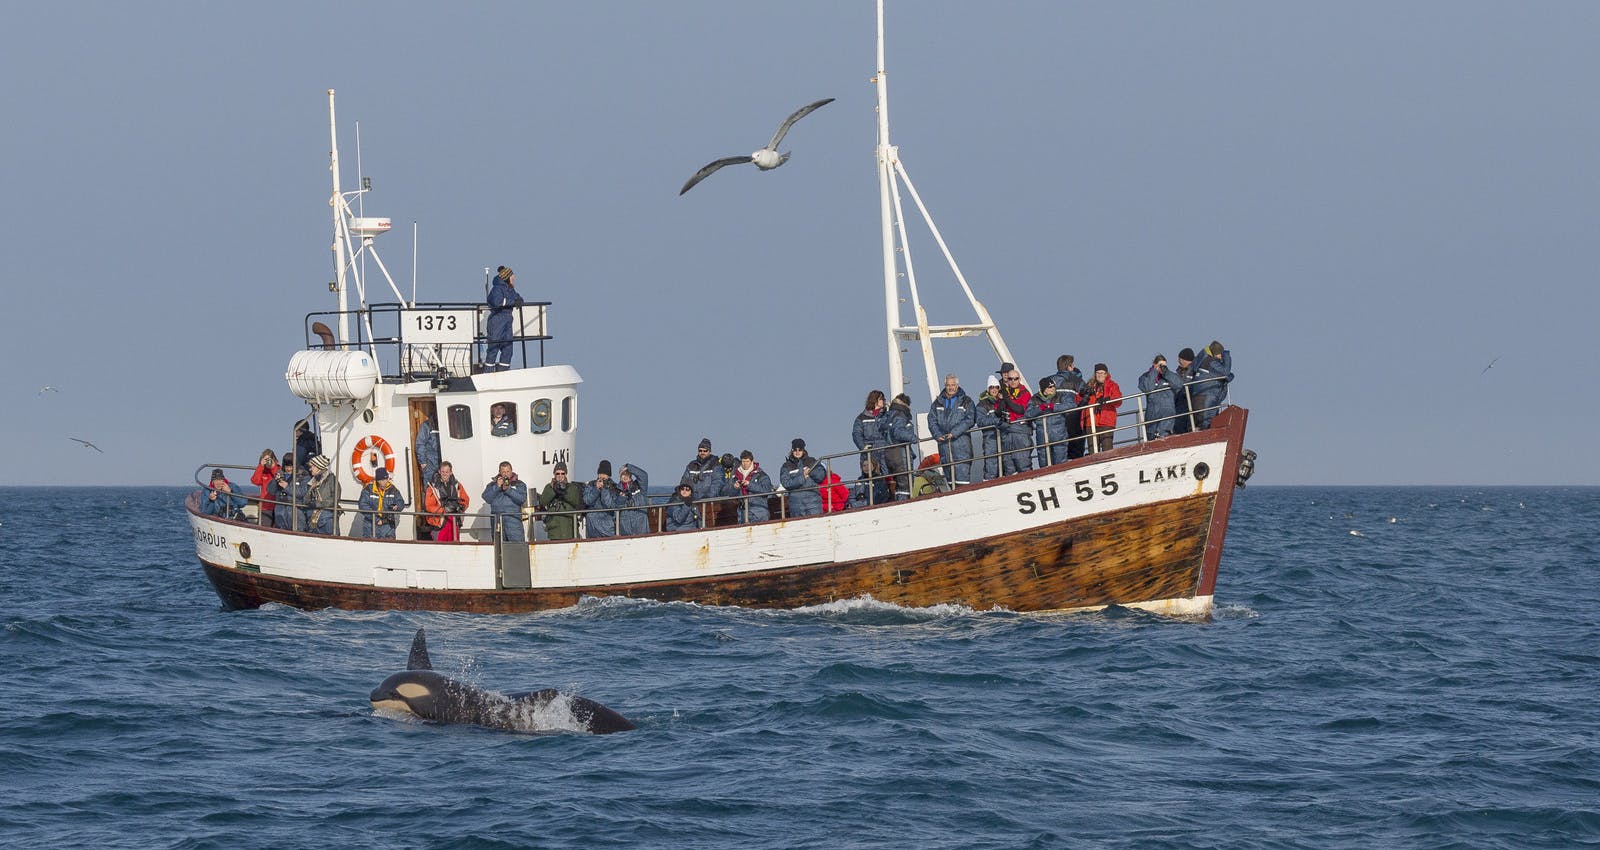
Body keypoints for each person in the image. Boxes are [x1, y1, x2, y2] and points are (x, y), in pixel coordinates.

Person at [928, 373, 976, 488]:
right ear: (945, 385)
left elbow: (970, 419)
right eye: (948, 385)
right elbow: (932, 420)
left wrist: (954, 433)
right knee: (950, 483)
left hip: (961, 446)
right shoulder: (937, 402)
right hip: (944, 446)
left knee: (962, 483)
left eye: (953, 385)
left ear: (957, 385)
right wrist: (937, 434)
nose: (951, 387)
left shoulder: (966, 401)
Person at [484, 265, 524, 372]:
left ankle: (503, 372)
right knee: (493, 347)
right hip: (497, 320)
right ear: (507, 277)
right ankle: (487, 373)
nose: (514, 278)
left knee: (508, 349)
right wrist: (512, 302)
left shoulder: (510, 289)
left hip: (507, 320)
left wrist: (518, 300)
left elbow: (519, 299)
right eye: (512, 276)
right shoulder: (497, 289)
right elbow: (496, 302)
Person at [1048, 355, 1088, 459]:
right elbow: (1086, 396)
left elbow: (1041, 399)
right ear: (1069, 366)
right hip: (1073, 418)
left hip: (1054, 420)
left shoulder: (1049, 381)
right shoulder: (1076, 380)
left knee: (1056, 454)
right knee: (1076, 452)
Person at [1187, 340, 1234, 429]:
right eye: (1220, 353)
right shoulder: (1210, 362)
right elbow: (1226, 372)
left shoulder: (1203, 361)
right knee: (1206, 424)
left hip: (1200, 396)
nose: (1221, 356)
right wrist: (1227, 356)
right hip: (1207, 396)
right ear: (1215, 353)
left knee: (1202, 422)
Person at [997, 363, 1033, 476]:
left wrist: (1006, 399)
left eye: (1015, 379)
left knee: (1023, 465)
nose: (1012, 381)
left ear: (1019, 379)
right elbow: (999, 411)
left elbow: (1019, 410)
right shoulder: (1003, 392)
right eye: (1010, 379)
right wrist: (1003, 398)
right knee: (1009, 469)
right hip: (1007, 434)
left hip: (1020, 433)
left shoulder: (1025, 393)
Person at [1078, 363, 1122, 453]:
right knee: (1093, 451)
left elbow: (1118, 400)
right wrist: (1082, 394)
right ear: (1095, 374)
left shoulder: (1112, 385)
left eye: (1102, 373)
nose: (1100, 375)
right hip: (1090, 421)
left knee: (1107, 450)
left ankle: (1109, 466)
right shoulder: (1089, 385)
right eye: (1098, 373)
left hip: (1106, 421)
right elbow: (1078, 401)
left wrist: (1108, 399)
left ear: (1106, 374)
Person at [423, 461, 471, 542]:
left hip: (454, 521)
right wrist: (443, 510)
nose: (445, 474)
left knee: (455, 548)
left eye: (447, 472)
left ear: (451, 472)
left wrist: (460, 508)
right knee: (440, 548)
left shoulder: (457, 485)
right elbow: (428, 506)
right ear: (439, 472)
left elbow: (465, 500)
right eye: (443, 472)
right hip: (440, 522)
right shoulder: (432, 487)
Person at [481, 460, 529, 542]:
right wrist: (497, 486)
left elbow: (522, 499)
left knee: (516, 548)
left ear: (511, 471)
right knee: (499, 549)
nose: (506, 474)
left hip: (513, 521)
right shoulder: (492, 484)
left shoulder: (519, 484)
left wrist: (508, 490)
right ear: (499, 472)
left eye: (508, 471)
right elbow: (486, 498)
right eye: (503, 472)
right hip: (497, 521)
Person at [883, 393, 919, 500]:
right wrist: (913, 438)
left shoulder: (888, 416)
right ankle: (904, 504)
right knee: (905, 483)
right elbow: (898, 432)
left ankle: (899, 502)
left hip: (889, 453)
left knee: (899, 484)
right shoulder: (900, 415)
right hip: (900, 452)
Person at [779, 438, 826, 518]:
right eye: (795, 450)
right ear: (792, 450)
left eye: (800, 449)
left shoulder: (812, 461)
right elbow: (786, 483)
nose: (797, 452)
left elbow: (821, 477)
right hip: (796, 504)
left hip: (813, 502)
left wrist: (810, 471)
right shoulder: (786, 466)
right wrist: (802, 477)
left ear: (803, 450)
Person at [722, 450, 774, 523]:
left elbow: (767, 490)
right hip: (742, 511)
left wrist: (749, 485)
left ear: (752, 461)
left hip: (758, 510)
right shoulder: (735, 476)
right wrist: (735, 488)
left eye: (747, 461)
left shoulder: (761, 475)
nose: (745, 464)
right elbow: (726, 492)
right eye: (743, 461)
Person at [536, 461, 583, 541]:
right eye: (557, 473)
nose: (560, 476)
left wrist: (563, 491)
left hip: (570, 529)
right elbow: (543, 502)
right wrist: (553, 490)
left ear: (566, 474)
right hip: (555, 530)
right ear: (554, 474)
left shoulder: (572, 487)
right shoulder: (549, 487)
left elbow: (575, 500)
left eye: (562, 473)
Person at [1027, 378, 1069, 467]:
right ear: (1044, 389)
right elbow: (1028, 414)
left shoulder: (1060, 396)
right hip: (1042, 437)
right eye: (1050, 387)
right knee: (1044, 465)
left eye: (1054, 386)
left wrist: (1054, 407)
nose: (1053, 388)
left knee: (1061, 465)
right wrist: (1040, 408)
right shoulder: (1035, 399)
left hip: (1059, 436)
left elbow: (1070, 405)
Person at [355, 468, 407, 539]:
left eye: (386, 479)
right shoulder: (368, 490)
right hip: (371, 525)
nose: (384, 482)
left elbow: (401, 502)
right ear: (377, 480)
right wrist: (376, 519)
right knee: (369, 547)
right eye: (381, 480)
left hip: (388, 525)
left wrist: (397, 506)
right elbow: (362, 505)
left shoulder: (393, 489)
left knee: (389, 547)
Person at [1137, 353, 1179, 439]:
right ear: (1154, 364)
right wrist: (1155, 371)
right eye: (1160, 365)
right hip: (1153, 415)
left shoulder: (1169, 376)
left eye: (1164, 365)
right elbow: (1147, 388)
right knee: (1151, 437)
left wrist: (1167, 373)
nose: (1162, 368)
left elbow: (1179, 384)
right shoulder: (1146, 376)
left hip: (1168, 414)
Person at [268, 452, 309, 531]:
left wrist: (287, 487)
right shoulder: (280, 474)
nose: (289, 469)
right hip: (280, 510)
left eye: (291, 466)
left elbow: (303, 492)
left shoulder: (304, 476)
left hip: (296, 511)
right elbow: (271, 491)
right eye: (287, 466)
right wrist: (275, 480)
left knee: (298, 533)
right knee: (280, 532)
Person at [582, 460, 622, 538]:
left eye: (604, 474)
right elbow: (587, 501)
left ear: (609, 476)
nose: (602, 476)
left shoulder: (614, 487)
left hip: (607, 527)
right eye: (600, 473)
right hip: (592, 527)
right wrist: (596, 489)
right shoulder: (590, 485)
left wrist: (604, 489)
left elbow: (610, 505)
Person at [974, 374, 1002, 482]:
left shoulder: (1003, 401)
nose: (994, 390)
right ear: (988, 389)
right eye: (991, 387)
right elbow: (980, 421)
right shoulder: (982, 404)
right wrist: (995, 421)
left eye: (996, 387)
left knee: (1006, 461)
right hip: (990, 437)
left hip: (1004, 436)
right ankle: (989, 482)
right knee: (991, 462)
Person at [851, 389, 887, 471]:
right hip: (869, 451)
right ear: (874, 400)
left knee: (887, 476)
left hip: (885, 450)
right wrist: (863, 447)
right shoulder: (861, 418)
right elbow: (856, 434)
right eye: (881, 399)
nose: (884, 401)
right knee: (871, 477)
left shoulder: (887, 415)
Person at [305, 454, 339, 535]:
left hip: (327, 521)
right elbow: (305, 499)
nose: (310, 469)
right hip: (312, 522)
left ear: (318, 467)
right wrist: (309, 502)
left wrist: (318, 504)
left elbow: (335, 499)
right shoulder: (311, 482)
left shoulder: (332, 480)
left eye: (312, 466)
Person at [683, 438, 722, 502]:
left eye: (705, 451)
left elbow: (717, 484)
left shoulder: (716, 466)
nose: (702, 452)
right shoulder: (691, 465)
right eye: (700, 451)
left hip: (708, 502)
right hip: (692, 501)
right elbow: (684, 482)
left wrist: (706, 498)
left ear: (709, 451)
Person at [617, 463, 650, 536]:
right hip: (625, 527)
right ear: (620, 476)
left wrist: (629, 467)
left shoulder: (640, 487)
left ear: (631, 475)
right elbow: (616, 505)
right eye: (623, 474)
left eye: (627, 474)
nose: (625, 476)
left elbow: (644, 475)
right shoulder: (617, 489)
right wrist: (622, 497)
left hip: (641, 525)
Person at [250, 448, 280, 527]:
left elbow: (280, 478)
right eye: (265, 459)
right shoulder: (262, 472)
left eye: (269, 459)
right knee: (264, 527)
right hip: (266, 507)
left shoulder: (278, 469)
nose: (268, 462)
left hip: (278, 505)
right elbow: (255, 481)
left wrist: (273, 467)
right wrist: (261, 466)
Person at [1172, 347, 1196, 434]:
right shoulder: (1179, 373)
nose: (1179, 361)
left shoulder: (1195, 371)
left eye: (1181, 359)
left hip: (1189, 403)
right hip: (1178, 405)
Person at [414, 411, 440, 486]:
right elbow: (420, 444)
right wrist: (423, 462)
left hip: (444, 463)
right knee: (430, 488)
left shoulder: (447, 423)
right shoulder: (426, 425)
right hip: (430, 464)